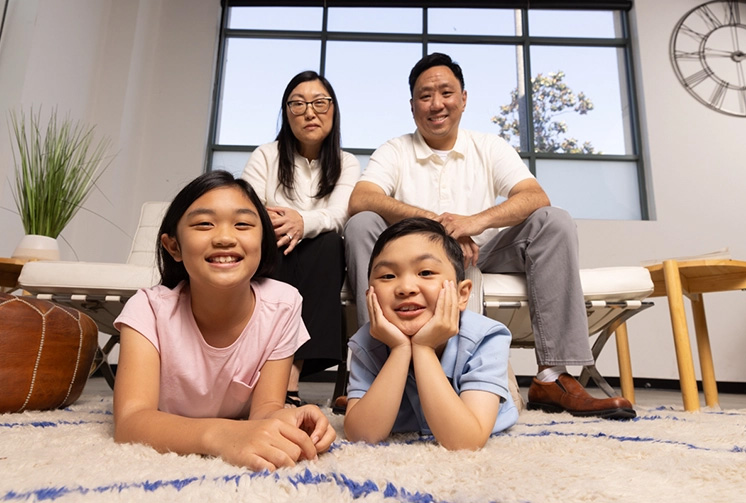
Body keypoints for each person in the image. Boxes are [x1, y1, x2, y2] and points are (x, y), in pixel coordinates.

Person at [344, 52, 635, 420]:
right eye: (425, 95)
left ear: (463, 98)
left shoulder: (489, 145)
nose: (437, 104)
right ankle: (373, 372)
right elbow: (361, 198)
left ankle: (554, 376)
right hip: (415, 261)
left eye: (446, 92)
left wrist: (475, 222)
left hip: (483, 250)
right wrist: (439, 227)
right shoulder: (395, 149)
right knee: (360, 223)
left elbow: (535, 196)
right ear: (412, 105)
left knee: (553, 219)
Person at [112, 170, 336, 472]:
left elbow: (265, 409)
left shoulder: (284, 304)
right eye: (204, 224)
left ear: (263, 241)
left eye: (243, 224)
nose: (225, 238)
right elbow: (131, 422)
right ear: (173, 246)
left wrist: (287, 419)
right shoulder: (148, 309)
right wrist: (221, 434)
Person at [343, 218, 518, 449]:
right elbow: (361, 435)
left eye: (425, 272)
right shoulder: (366, 343)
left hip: (486, 384)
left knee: (504, 388)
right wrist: (400, 349)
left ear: (462, 294)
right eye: (387, 276)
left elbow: (465, 441)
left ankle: (504, 382)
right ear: (370, 295)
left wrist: (424, 348)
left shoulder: (486, 337)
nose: (406, 288)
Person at [243, 71, 359, 406]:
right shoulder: (266, 155)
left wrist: (300, 221)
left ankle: (288, 380)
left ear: (333, 111)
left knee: (326, 244)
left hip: (321, 260)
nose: (310, 112)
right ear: (286, 112)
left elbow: (340, 214)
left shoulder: (346, 164)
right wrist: (286, 224)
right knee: (286, 244)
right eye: (298, 104)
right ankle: (277, 382)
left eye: (320, 103)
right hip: (272, 251)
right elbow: (249, 207)